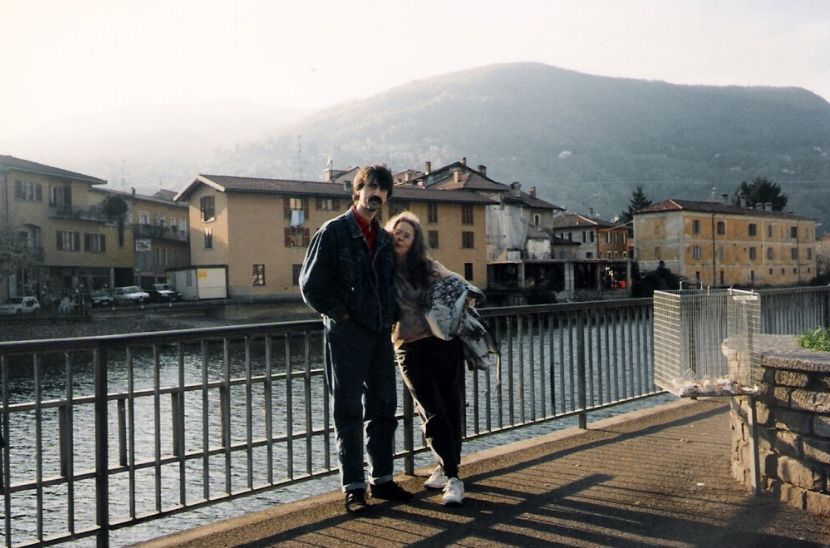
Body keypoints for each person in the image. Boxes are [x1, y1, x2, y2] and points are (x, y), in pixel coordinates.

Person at [300, 164, 413, 514]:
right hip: (346, 335)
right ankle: (354, 488)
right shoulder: (333, 232)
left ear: (387, 196)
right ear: (357, 191)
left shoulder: (383, 238)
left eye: (382, 189)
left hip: (379, 333)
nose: (376, 194)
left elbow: (391, 283)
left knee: (384, 405)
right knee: (348, 409)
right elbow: (310, 285)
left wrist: (391, 315)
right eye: (371, 187)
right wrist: (343, 315)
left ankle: (382, 479)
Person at [386, 211, 466, 506]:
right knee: (431, 410)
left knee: (450, 407)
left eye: (407, 235)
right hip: (408, 347)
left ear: (415, 241)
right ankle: (450, 471)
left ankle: (451, 474)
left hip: (443, 344)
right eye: (397, 233)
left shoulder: (427, 267)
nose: (400, 238)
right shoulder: (383, 267)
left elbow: (460, 285)